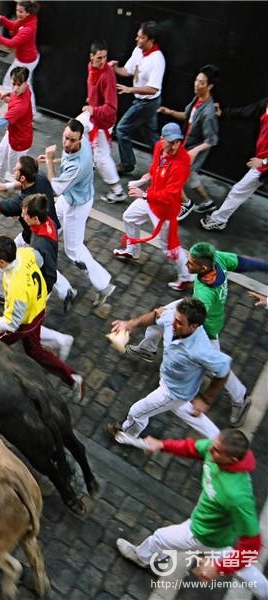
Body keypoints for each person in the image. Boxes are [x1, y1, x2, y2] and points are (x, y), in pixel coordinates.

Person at [126, 241, 267, 426]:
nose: (186, 265)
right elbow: (243, 263)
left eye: (191, 263)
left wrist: (169, 315)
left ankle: (240, 399)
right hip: (196, 308)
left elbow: (194, 315)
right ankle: (148, 348)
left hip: (205, 327)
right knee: (157, 317)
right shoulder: (218, 259)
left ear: (204, 266)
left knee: (217, 365)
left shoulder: (204, 295)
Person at [116, 430, 268, 599]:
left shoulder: (238, 496)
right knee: (244, 571)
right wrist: (162, 445)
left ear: (231, 460)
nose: (210, 451)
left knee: (159, 537)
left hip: (199, 533)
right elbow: (192, 448)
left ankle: (141, 557)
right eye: (213, 445)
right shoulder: (215, 449)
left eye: (216, 450)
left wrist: (218, 568)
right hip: (217, 532)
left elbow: (252, 545)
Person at [0, 235, 82, 395]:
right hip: (38, 310)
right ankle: (72, 378)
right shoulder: (25, 253)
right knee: (35, 351)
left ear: (2, 262)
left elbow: (11, 324)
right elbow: (40, 261)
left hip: (25, 322)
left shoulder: (16, 286)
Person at [108, 297, 229, 440]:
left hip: (172, 392)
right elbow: (156, 315)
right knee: (185, 411)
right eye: (174, 318)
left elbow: (224, 368)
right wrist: (130, 324)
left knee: (137, 412)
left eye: (179, 322)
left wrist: (206, 399)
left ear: (194, 326)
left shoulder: (200, 350)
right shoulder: (173, 318)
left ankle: (126, 435)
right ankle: (223, 444)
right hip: (173, 382)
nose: (172, 323)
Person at [0, 156, 76, 310]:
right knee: (46, 262)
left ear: (23, 177)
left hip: (34, 235)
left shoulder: (21, 203)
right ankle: (65, 291)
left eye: (16, 169)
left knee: (15, 258)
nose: (14, 169)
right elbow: (24, 184)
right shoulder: (39, 177)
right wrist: (9, 186)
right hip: (50, 227)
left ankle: (0, 291)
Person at [40, 118, 116, 307]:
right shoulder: (79, 144)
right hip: (70, 198)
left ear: (80, 138)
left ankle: (103, 285)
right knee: (47, 226)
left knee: (73, 250)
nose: (66, 143)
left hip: (76, 205)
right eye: (65, 138)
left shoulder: (78, 165)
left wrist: (49, 161)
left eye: (72, 140)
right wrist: (56, 158)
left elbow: (55, 189)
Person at [113, 122, 194, 291]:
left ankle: (186, 277)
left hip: (164, 210)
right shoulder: (159, 147)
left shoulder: (181, 163)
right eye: (170, 141)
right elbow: (155, 168)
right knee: (129, 217)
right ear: (162, 139)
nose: (174, 146)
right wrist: (145, 179)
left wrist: (144, 194)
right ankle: (132, 250)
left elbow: (171, 194)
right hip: (151, 200)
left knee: (168, 247)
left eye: (177, 142)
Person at [158, 64, 220, 219]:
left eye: (201, 83)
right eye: (197, 80)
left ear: (210, 86)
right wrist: (170, 112)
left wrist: (194, 151)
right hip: (186, 146)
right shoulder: (197, 99)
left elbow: (212, 139)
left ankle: (185, 204)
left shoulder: (209, 113)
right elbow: (186, 116)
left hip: (192, 150)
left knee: (171, 176)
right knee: (191, 177)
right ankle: (208, 202)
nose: (197, 84)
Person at [201, 96, 268, 231]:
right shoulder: (265, 103)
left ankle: (218, 220)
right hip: (261, 161)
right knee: (239, 190)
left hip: (264, 164)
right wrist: (224, 113)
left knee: (239, 190)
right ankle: (219, 219)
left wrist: (264, 161)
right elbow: (246, 111)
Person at [110, 20, 165, 174]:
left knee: (122, 129)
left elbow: (153, 89)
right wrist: (115, 69)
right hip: (143, 101)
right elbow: (127, 71)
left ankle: (127, 163)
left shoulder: (157, 60)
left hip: (147, 103)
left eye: (141, 37)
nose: (137, 39)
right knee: (151, 136)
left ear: (150, 40)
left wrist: (130, 89)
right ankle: (165, 165)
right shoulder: (138, 51)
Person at [81, 40, 126, 204]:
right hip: (94, 117)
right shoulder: (91, 67)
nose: (102, 61)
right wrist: (91, 100)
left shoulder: (107, 76)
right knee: (77, 131)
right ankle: (88, 164)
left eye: (105, 57)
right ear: (91, 57)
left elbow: (111, 108)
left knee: (102, 157)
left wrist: (93, 109)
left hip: (102, 122)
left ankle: (118, 190)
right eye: (99, 58)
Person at [0, 1, 40, 114]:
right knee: (26, 84)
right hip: (27, 58)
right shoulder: (27, 20)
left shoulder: (28, 29)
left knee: (8, 82)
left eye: (20, 11)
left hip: (25, 61)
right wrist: (3, 19)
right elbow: (15, 25)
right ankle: (31, 111)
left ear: (28, 13)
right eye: (16, 10)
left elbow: (12, 43)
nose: (18, 13)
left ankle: (14, 107)